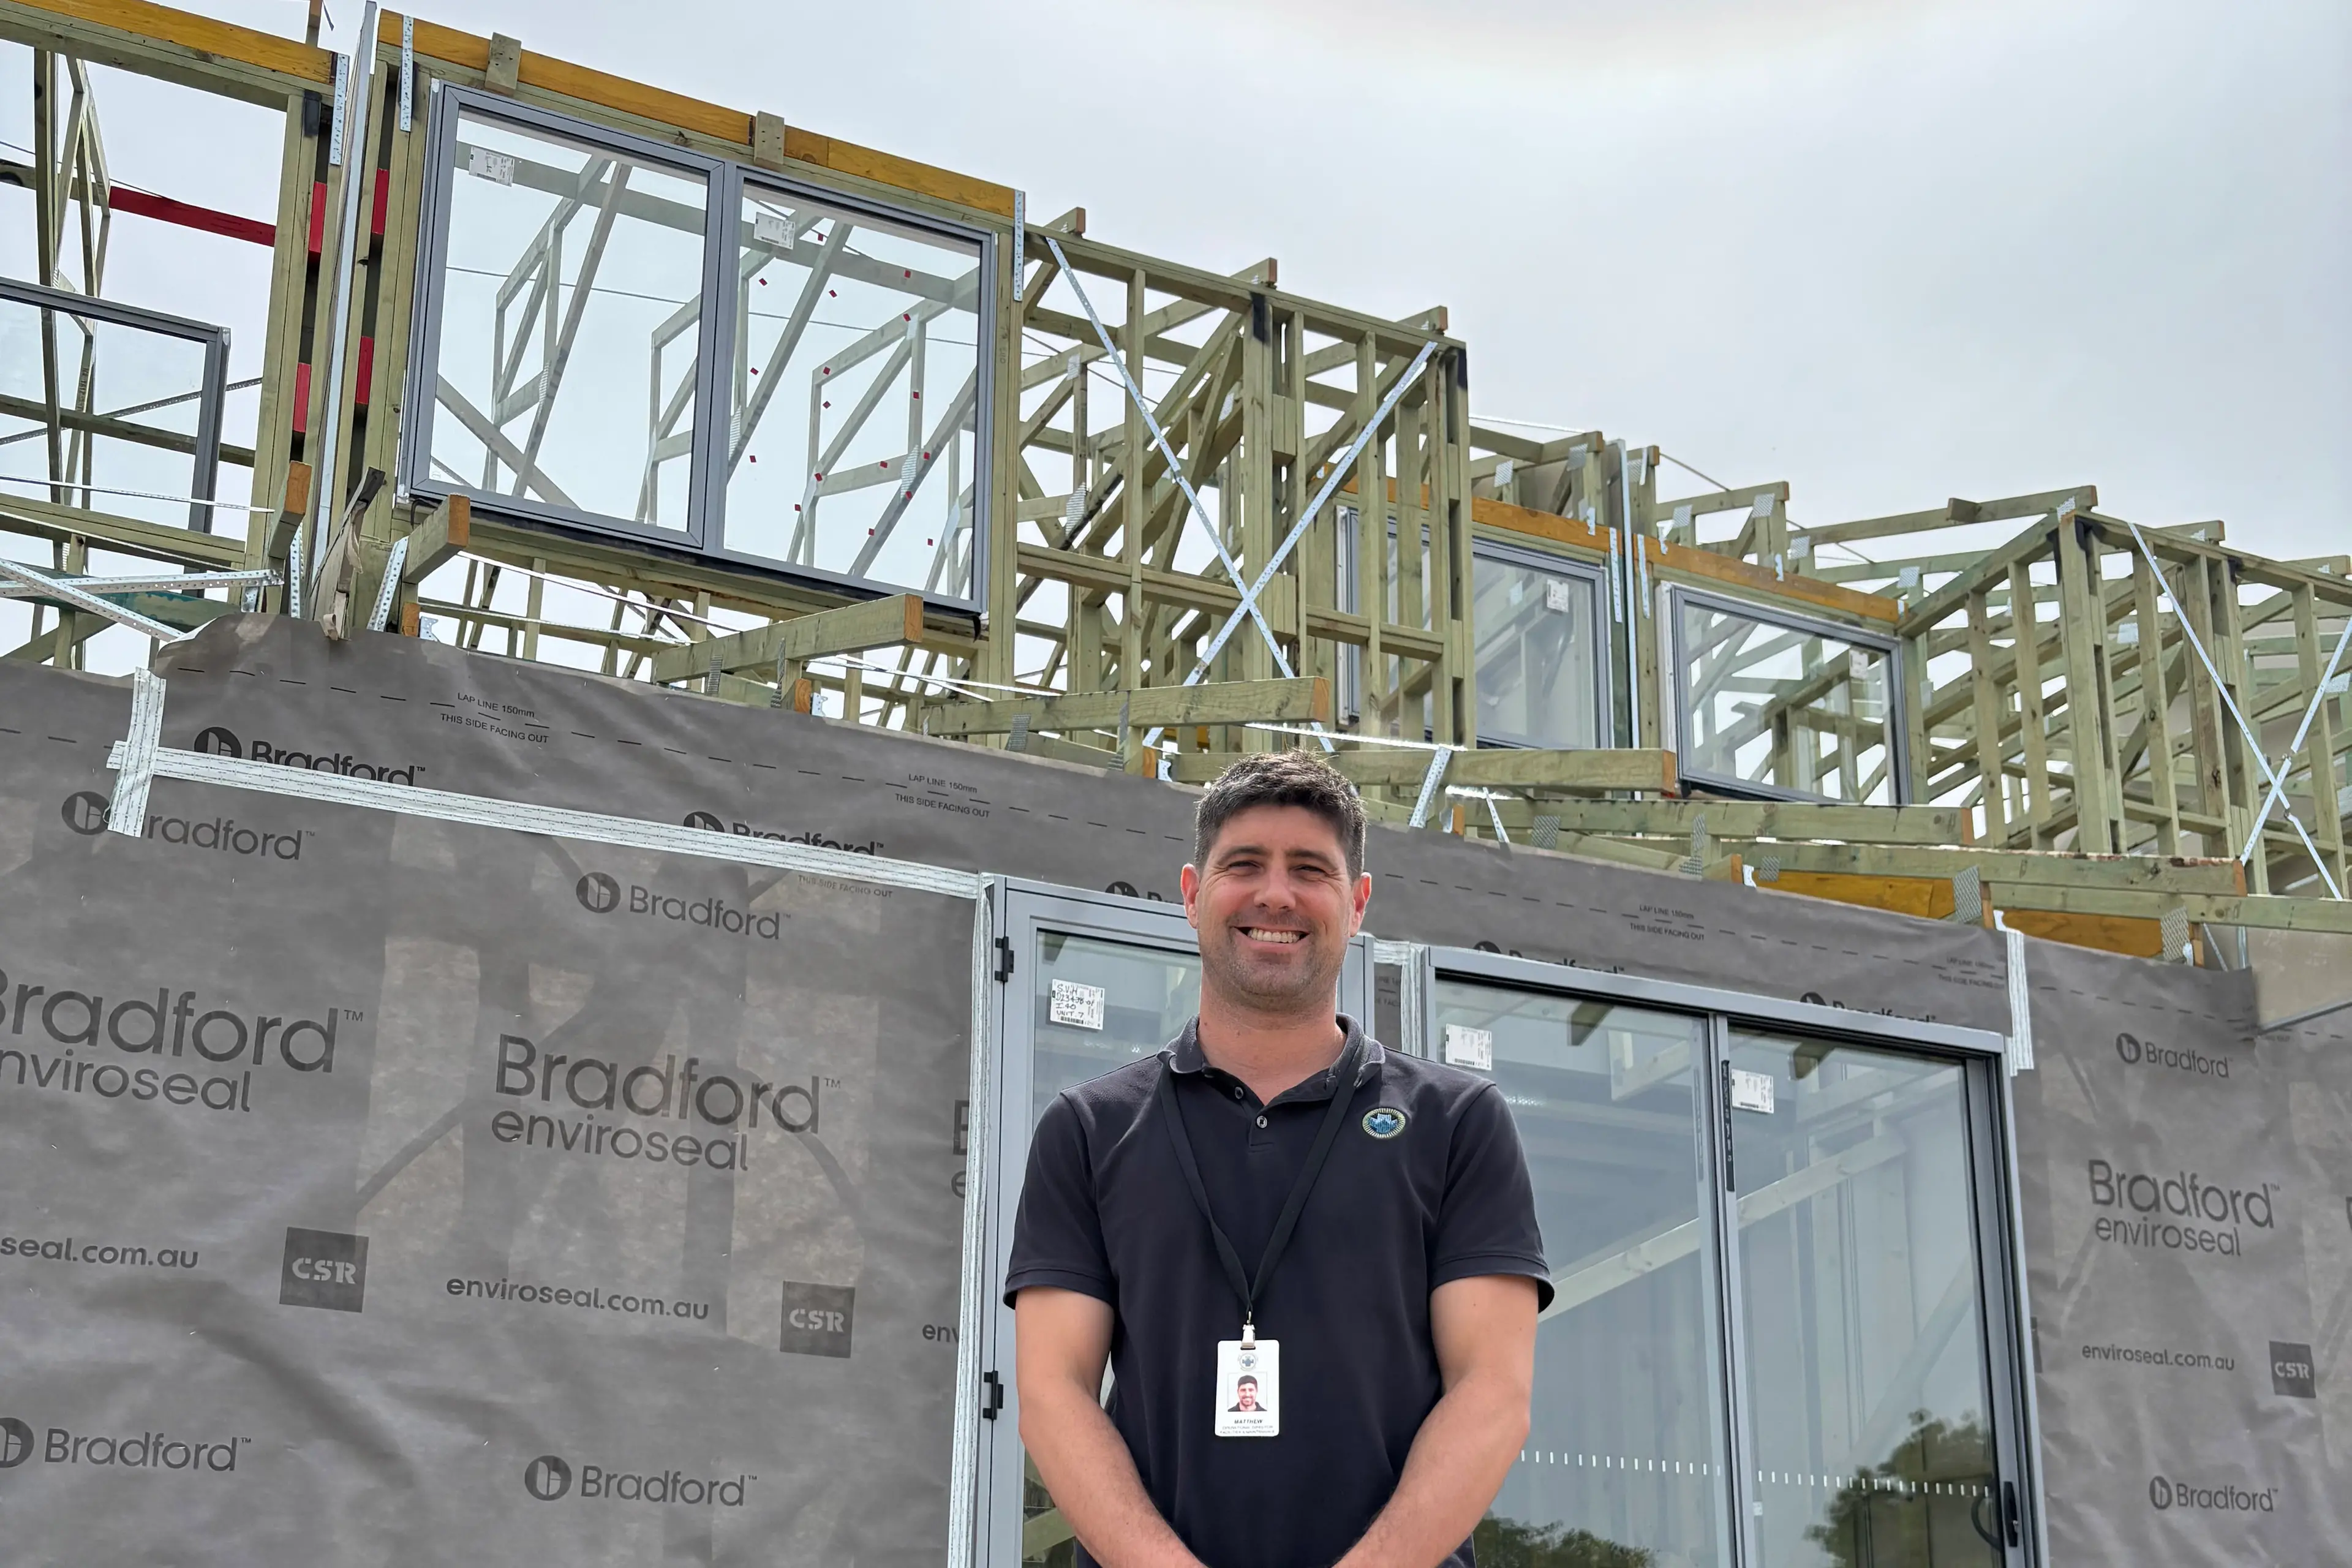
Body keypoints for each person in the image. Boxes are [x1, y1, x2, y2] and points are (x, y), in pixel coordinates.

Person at [1007, 751, 1551, 1568]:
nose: (1275, 895)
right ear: (1192, 895)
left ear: (1357, 903)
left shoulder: (1459, 1123)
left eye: (1309, 870)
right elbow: (1054, 1396)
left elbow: (1493, 1395)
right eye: (1244, 865)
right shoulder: (1087, 1130)